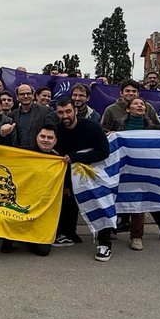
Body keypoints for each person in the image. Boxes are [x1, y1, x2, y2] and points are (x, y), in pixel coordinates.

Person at [100, 95, 160, 248]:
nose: (140, 106)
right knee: (118, 198)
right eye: (136, 104)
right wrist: (110, 135)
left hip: (146, 169)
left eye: (142, 104)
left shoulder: (153, 128)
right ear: (127, 109)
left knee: (143, 201)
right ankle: (111, 229)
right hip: (124, 168)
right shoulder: (119, 126)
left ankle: (140, 236)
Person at [52, 101, 113, 260]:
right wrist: (65, 184)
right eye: (60, 112)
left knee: (100, 204)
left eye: (68, 111)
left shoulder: (91, 127)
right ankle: (69, 234)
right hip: (70, 174)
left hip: (94, 173)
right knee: (68, 201)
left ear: (76, 110)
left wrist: (76, 157)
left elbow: (104, 152)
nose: (65, 116)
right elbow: (60, 158)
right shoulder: (58, 130)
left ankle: (105, 244)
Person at [0, 126, 61, 257]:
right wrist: (3, 135)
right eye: (42, 136)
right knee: (6, 246)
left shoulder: (59, 160)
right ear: (36, 137)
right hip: (20, 204)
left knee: (43, 251)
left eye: (49, 138)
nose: (45, 140)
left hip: (43, 210)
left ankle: (28, 239)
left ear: (55, 141)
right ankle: (12, 238)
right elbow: (3, 152)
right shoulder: (25, 153)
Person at [0, 84, 57, 149]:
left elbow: (54, 133)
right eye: (22, 94)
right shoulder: (11, 115)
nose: (25, 96)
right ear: (17, 97)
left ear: (33, 95)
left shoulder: (45, 111)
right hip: (18, 154)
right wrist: (3, 133)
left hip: (39, 154)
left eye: (28, 93)